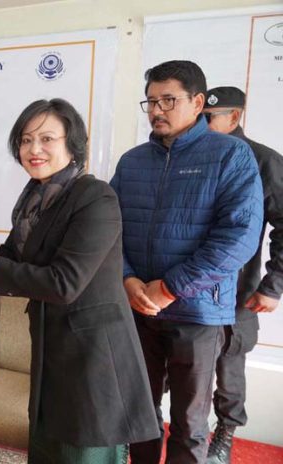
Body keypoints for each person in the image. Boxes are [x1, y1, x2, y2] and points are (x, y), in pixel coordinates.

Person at [0, 99, 160, 463]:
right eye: (26, 140)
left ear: (72, 145)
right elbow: (14, 256)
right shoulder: (36, 197)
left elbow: (64, 283)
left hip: (91, 357)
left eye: (47, 139)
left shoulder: (95, 197)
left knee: (80, 452)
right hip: (50, 346)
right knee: (45, 446)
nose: (34, 149)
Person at [110, 61, 263, 464]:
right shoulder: (132, 162)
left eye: (168, 100)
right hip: (138, 308)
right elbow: (108, 229)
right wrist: (127, 279)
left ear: (197, 103)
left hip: (198, 312)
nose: (157, 110)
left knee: (190, 423)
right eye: (151, 101)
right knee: (138, 412)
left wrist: (170, 287)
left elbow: (238, 238)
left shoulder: (231, 155)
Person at [202, 86, 283, 464]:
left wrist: (273, 285)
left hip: (236, 291)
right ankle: (184, 428)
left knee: (229, 363)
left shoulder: (264, 161)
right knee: (177, 362)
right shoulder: (193, 155)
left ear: (234, 118)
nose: (201, 124)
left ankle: (225, 434)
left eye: (209, 117)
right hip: (187, 287)